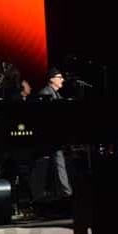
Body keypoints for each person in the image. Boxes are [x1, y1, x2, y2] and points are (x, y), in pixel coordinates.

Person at [38, 67, 73, 199]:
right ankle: (66, 193)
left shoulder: (56, 94)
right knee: (58, 162)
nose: (62, 79)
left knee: (58, 164)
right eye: (60, 77)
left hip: (56, 135)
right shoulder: (45, 93)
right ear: (52, 79)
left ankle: (59, 193)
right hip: (49, 136)